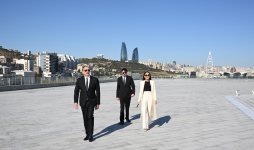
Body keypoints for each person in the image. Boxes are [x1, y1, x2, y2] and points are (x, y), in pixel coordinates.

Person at [74, 65, 100, 142]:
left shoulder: (95, 80)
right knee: (85, 118)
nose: (87, 71)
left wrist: (98, 103)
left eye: (88, 70)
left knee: (90, 117)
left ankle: (91, 135)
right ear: (82, 72)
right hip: (83, 102)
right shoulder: (79, 80)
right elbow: (76, 92)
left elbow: (98, 92)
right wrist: (75, 102)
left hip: (92, 102)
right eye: (85, 70)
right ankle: (87, 134)